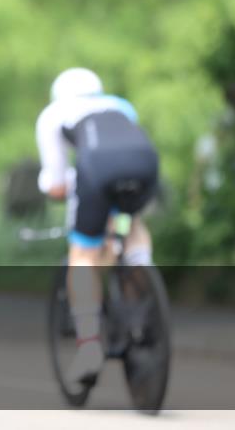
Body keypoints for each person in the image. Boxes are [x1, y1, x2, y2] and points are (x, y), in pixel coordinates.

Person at [35, 67, 159, 391]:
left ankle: (89, 344)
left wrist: (54, 188)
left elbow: (57, 183)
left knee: (83, 251)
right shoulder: (120, 106)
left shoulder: (52, 115)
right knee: (129, 224)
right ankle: (142, 280)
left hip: (98, 173)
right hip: (144, 166)